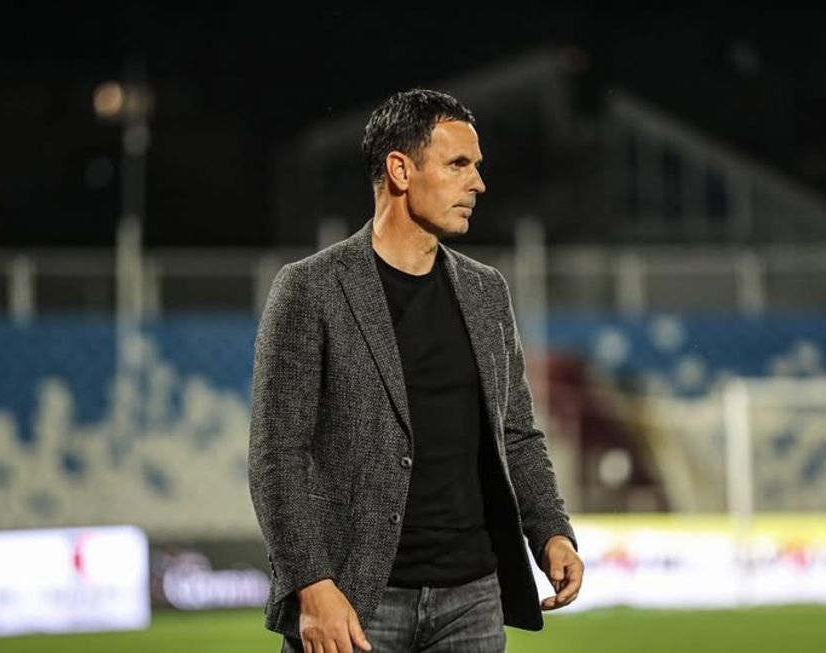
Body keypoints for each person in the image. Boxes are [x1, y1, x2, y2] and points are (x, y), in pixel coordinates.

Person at [248, 88, 583, 653]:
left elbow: (516, 433)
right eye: (458, 164)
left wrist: (550, 531)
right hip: (355, 600)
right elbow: (275, 456)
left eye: (476, 166)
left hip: (473, 598)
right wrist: (312, 585)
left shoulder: (486, 291)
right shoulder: (309, 289)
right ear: (400, 170)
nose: (478, 184)